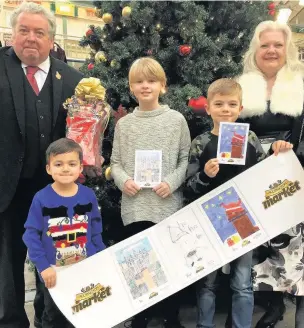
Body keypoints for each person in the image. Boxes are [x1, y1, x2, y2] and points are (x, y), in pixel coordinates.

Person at [185, 78, 292, 328]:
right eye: (219, 104)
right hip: (209, 221)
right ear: (208, 108)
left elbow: (267, 174)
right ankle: (204, 325)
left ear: (240, 109)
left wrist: (278, 148)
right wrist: (204, 176)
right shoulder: (200, 142)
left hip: (243, 219)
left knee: (243, 282)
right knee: (207, 282)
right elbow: (188, 188)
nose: (225, 109)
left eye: (232, 104)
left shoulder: (250, 138)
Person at [0, 2, 82, 327]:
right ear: (12, 35)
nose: (31, 38)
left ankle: (50, 321)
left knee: (54, 259)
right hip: (7, 190)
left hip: (55, 192)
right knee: (7, 265)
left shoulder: (75, 80)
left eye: (39, 32)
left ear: (51, 40)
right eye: (24, 31)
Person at [110, 57, 191, 328]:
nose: (146, 86)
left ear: (162, 86)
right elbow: (115, 163)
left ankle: (171, 315)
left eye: (152, 80)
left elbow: (185, 159)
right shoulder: (124, 125)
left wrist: (172, 182)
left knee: (170, 260)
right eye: (139, 81)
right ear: (131, 87)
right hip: (135, 205)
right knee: (138, 262)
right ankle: (141, 314)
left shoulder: (176, 120)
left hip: (167, 203)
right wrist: (123, 181)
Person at [238, 20, 304, 328]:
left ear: (286, 48)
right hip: (254, 168)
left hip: (291, 167)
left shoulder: (300, 82)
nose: (271, 50)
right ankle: (274, 306)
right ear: (256, 49)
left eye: (278, 44)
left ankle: (300, 305)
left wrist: (292, 152)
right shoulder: (242, 84)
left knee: (294, 241)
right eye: (265, 45)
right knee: (263, 241)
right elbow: (234, 131)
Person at [23, 138, 105, 328]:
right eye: (58, 164)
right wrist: (43, 267)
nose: (65, 169)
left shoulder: (88, 196)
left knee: (81, 314)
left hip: (84, 269)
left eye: (72, 164)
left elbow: (95, 230)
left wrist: (100, 257)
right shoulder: (41, 198)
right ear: (48, 168)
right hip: (54, 272)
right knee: (53, 317)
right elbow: (30, 235)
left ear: (80, 168)